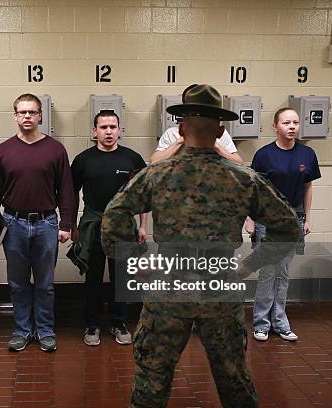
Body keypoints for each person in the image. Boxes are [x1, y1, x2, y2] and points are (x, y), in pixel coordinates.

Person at [101, 84, 300, 407]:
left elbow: (113, 215)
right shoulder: (243, 178)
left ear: (180, 128)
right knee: (233, 377)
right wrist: (248, 265)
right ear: (220, 130)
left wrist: (136, 263)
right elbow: (288, 227)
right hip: (220, 282)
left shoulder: (157, 174)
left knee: (153, 377)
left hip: (169, 283)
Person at [0, 93, 74, 353]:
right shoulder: (3, 150)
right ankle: (22, 330)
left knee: (45, 284)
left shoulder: (55, 149)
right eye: (22, 112)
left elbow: (66, 190)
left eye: (32, 112)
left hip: (46, 224)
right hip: (13, 224)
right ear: (15, 116)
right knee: (18, 283)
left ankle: (45, 331)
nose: (27, 116)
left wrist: (66, 223)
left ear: (40, 116)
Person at [70, 110, 147, 346]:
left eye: (113, 127)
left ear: (120, 130)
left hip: (123, 225)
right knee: (92, 277)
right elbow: (72, 194)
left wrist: (143, 226)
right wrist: (73, 226)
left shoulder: (132, 159)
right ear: (95, 131)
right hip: (93, 223)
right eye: (103, 127)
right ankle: (92, 325)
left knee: (120, 277)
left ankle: (119, 322)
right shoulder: (83, 160)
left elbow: (142, 195)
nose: (109, 131)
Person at [245, 107, 321, 342]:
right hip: (267, 220)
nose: (291, 127)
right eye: (286, 123)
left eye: (295, 123)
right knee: (268, 271)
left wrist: (307, 218)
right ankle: (261, 323)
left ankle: (280, 321)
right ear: (275, 126)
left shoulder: (307, 154)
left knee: (284, 272)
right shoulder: (264, 155)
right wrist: (249, 218)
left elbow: (308, 187)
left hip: (294, 219)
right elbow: (253, 189)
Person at [151, 84, 243, 165]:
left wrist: (214, 144)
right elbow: (154, 161)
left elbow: (238, 162)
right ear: (220, 131)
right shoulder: (171, 134)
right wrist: (180, 141)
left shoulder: (155, 177)